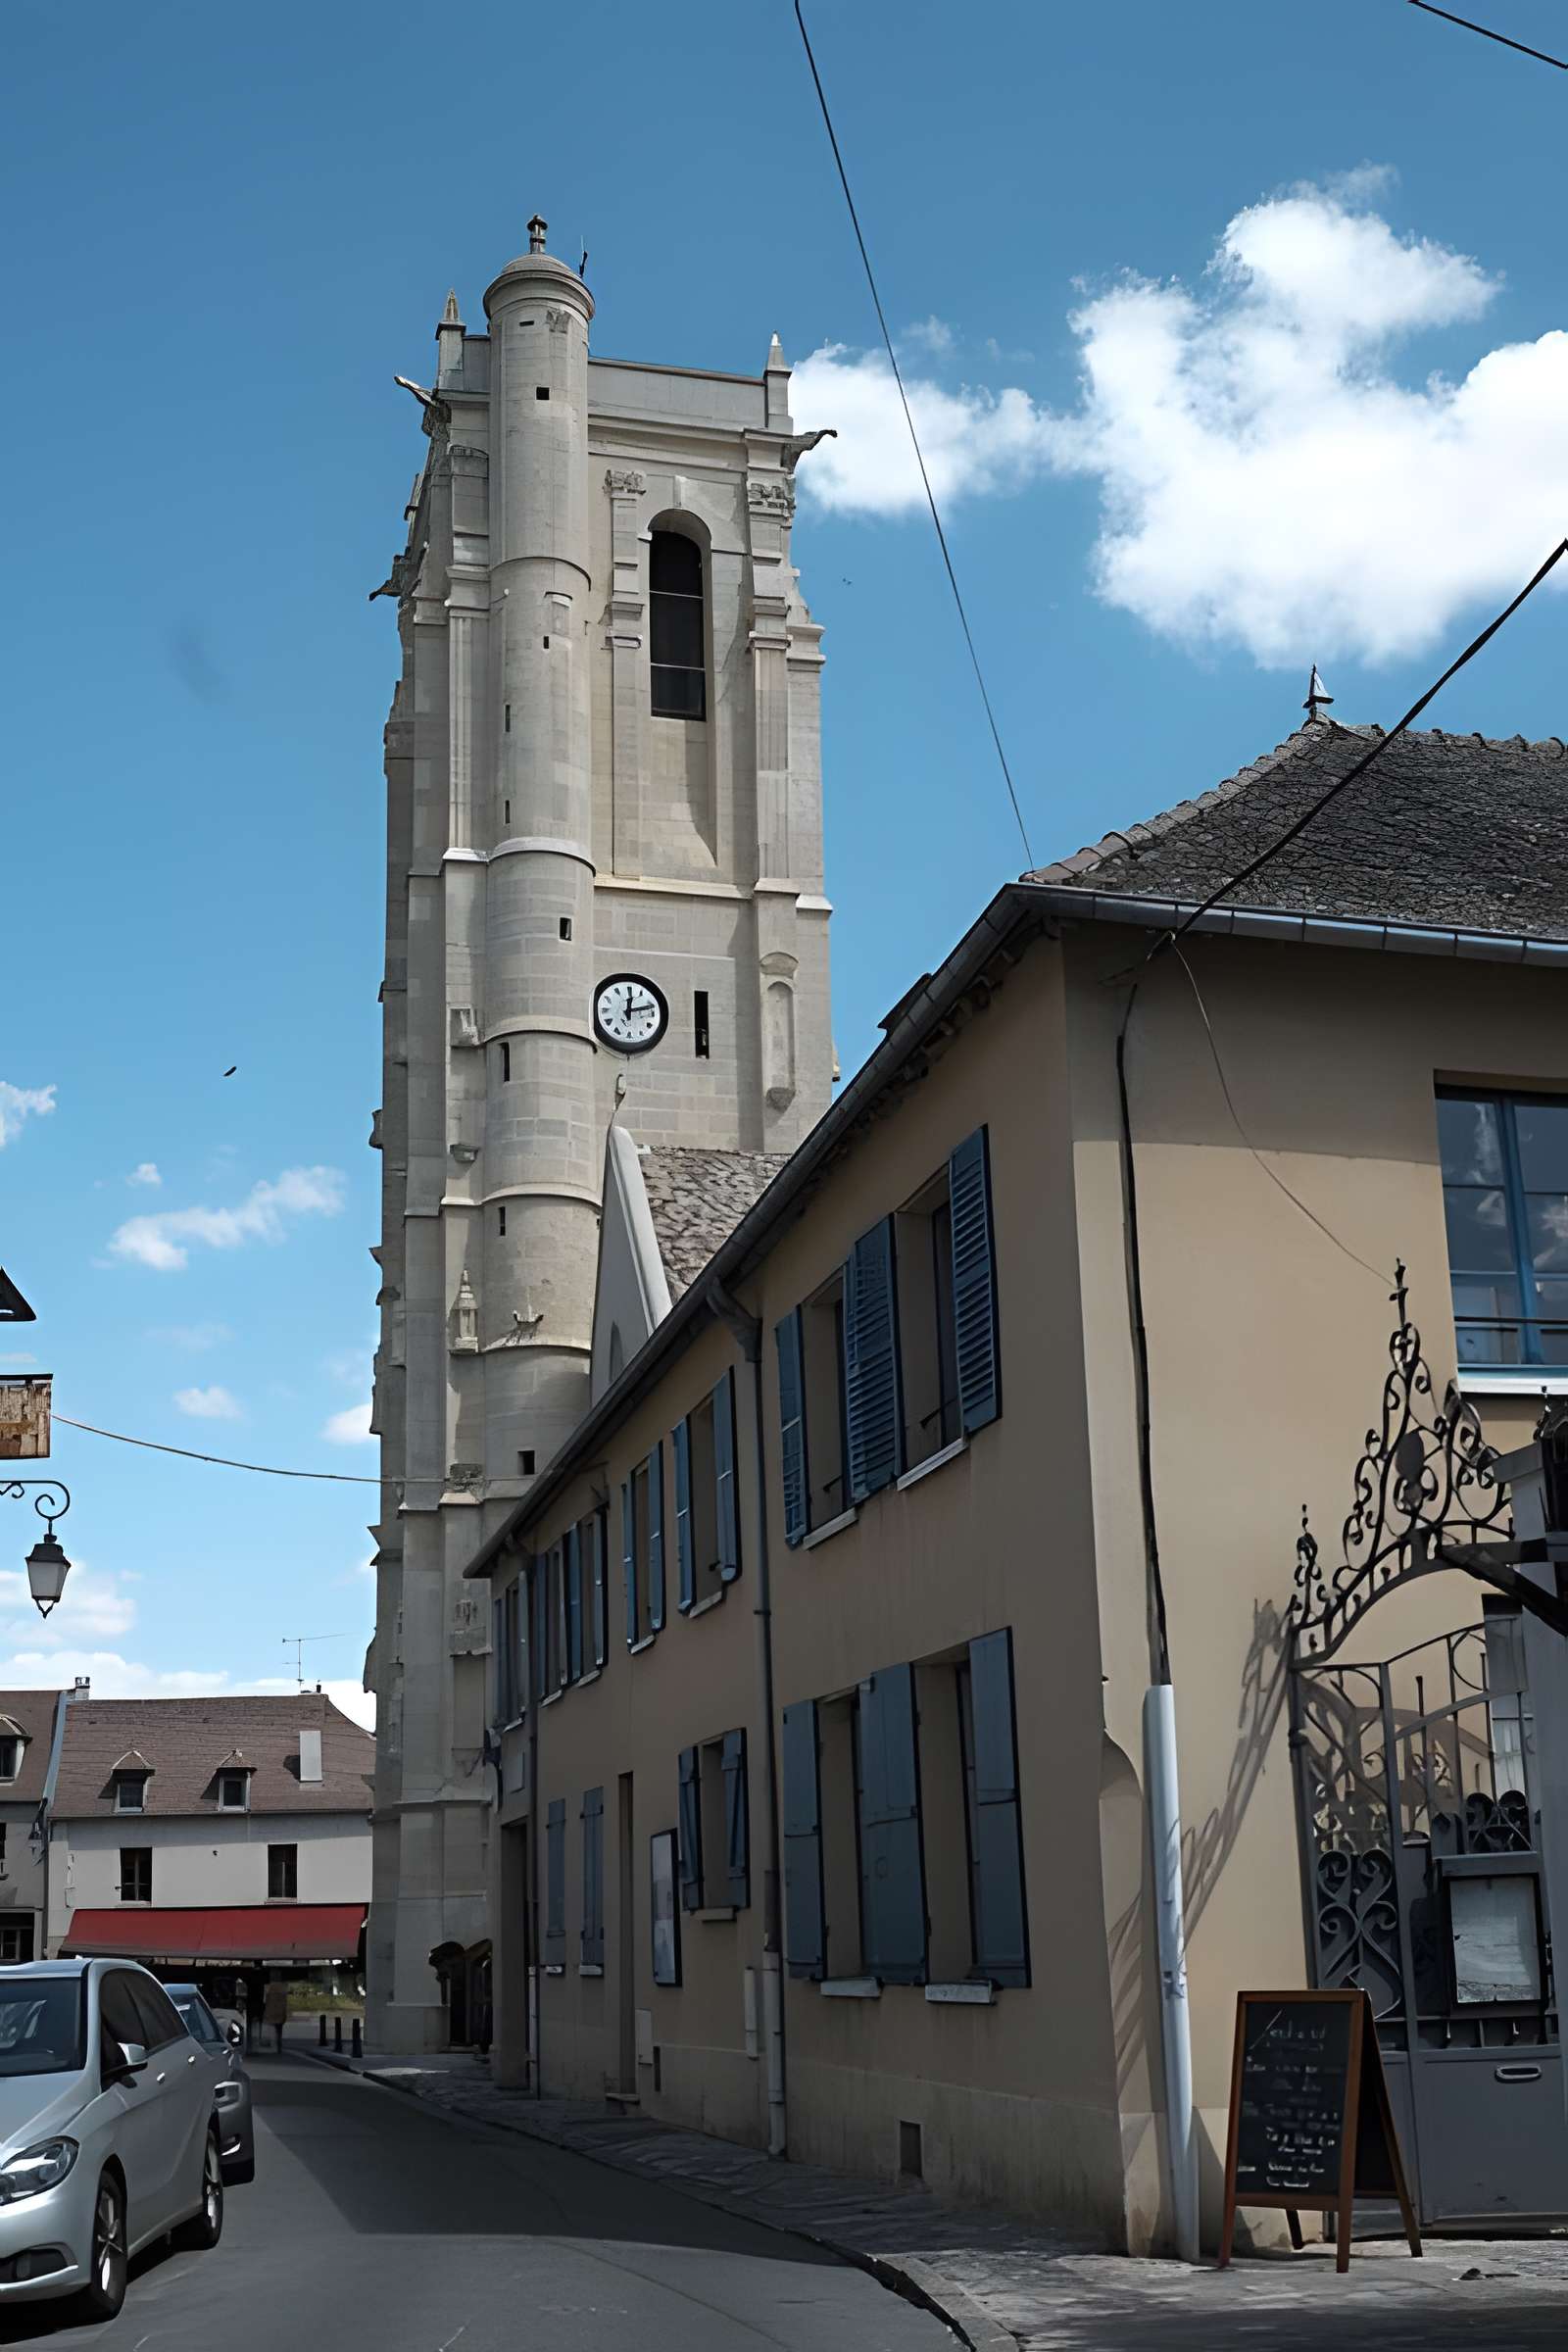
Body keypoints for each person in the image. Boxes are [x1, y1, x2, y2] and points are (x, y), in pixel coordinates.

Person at [263, 1978, 289, 2054]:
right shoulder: (282, 1993)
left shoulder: (270, 1990)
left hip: (273, 2013)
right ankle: (278, 2046)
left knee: (272, 2030)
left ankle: (274, 2045)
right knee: (278, 2031)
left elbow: (266, 2002)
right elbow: (284, 2005)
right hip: (279, 2014)